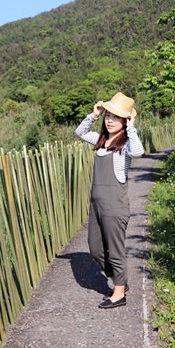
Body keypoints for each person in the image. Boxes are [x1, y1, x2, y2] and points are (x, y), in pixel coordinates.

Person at [74, 92, 145, 309]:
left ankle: (119, 293)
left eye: (116, 117)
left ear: (125, 121)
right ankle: (120, 280)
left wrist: (132, 128)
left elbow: (140, 152)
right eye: (108, 116)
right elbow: (80, 132)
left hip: (115, 207)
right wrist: (94, 115)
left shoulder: (126, 146)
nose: (110, 120)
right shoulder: (101, 140)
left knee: (114, 250)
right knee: (95, 249)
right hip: (97, 206)